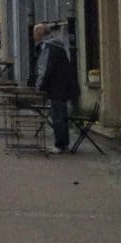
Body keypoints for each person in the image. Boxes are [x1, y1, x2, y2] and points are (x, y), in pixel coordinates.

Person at [33, 22, 79, 153]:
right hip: (62, 86)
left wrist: (39, 87)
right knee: (60, 115)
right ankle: (63, 143)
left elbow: (44, 68)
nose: (34, 37)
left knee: (58, 116)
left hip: (57, 87)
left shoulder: (48, 47)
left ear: (39, 34)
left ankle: (60, 145)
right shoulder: (57, 46)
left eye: (35, 34)